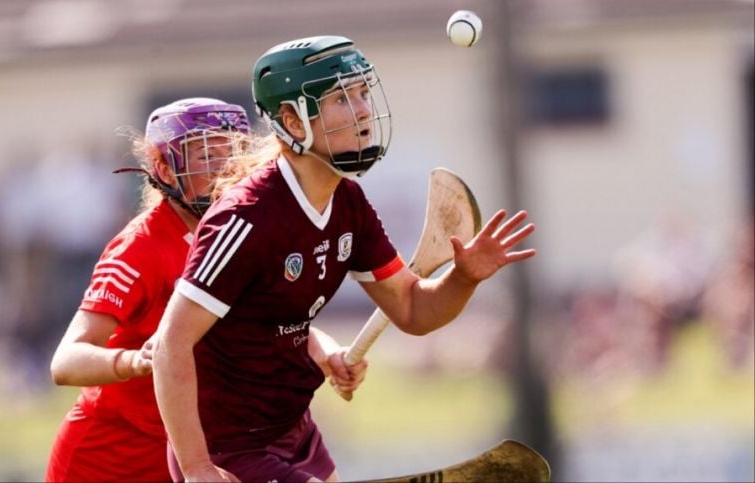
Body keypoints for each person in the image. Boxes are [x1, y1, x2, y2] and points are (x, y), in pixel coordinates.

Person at [153, 36, 537, 483]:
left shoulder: (348, 202)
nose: (361, 111)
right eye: (340, 98)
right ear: (293, 121)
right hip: (229, 450)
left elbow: (412, 308)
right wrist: (198, 468)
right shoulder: (246, 219)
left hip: (295, 434)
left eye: (361, 93)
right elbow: (170, 346)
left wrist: (463, 279)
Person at [45, 97, 366, 482]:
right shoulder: (140, 249)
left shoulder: (243, 228)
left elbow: (266, 324)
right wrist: (137, 362)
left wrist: (328, 352)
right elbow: (65, 362)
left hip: (195, 449)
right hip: (110, 459)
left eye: (229, 151)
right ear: (164, 167)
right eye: (203, 156)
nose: (222, 168)